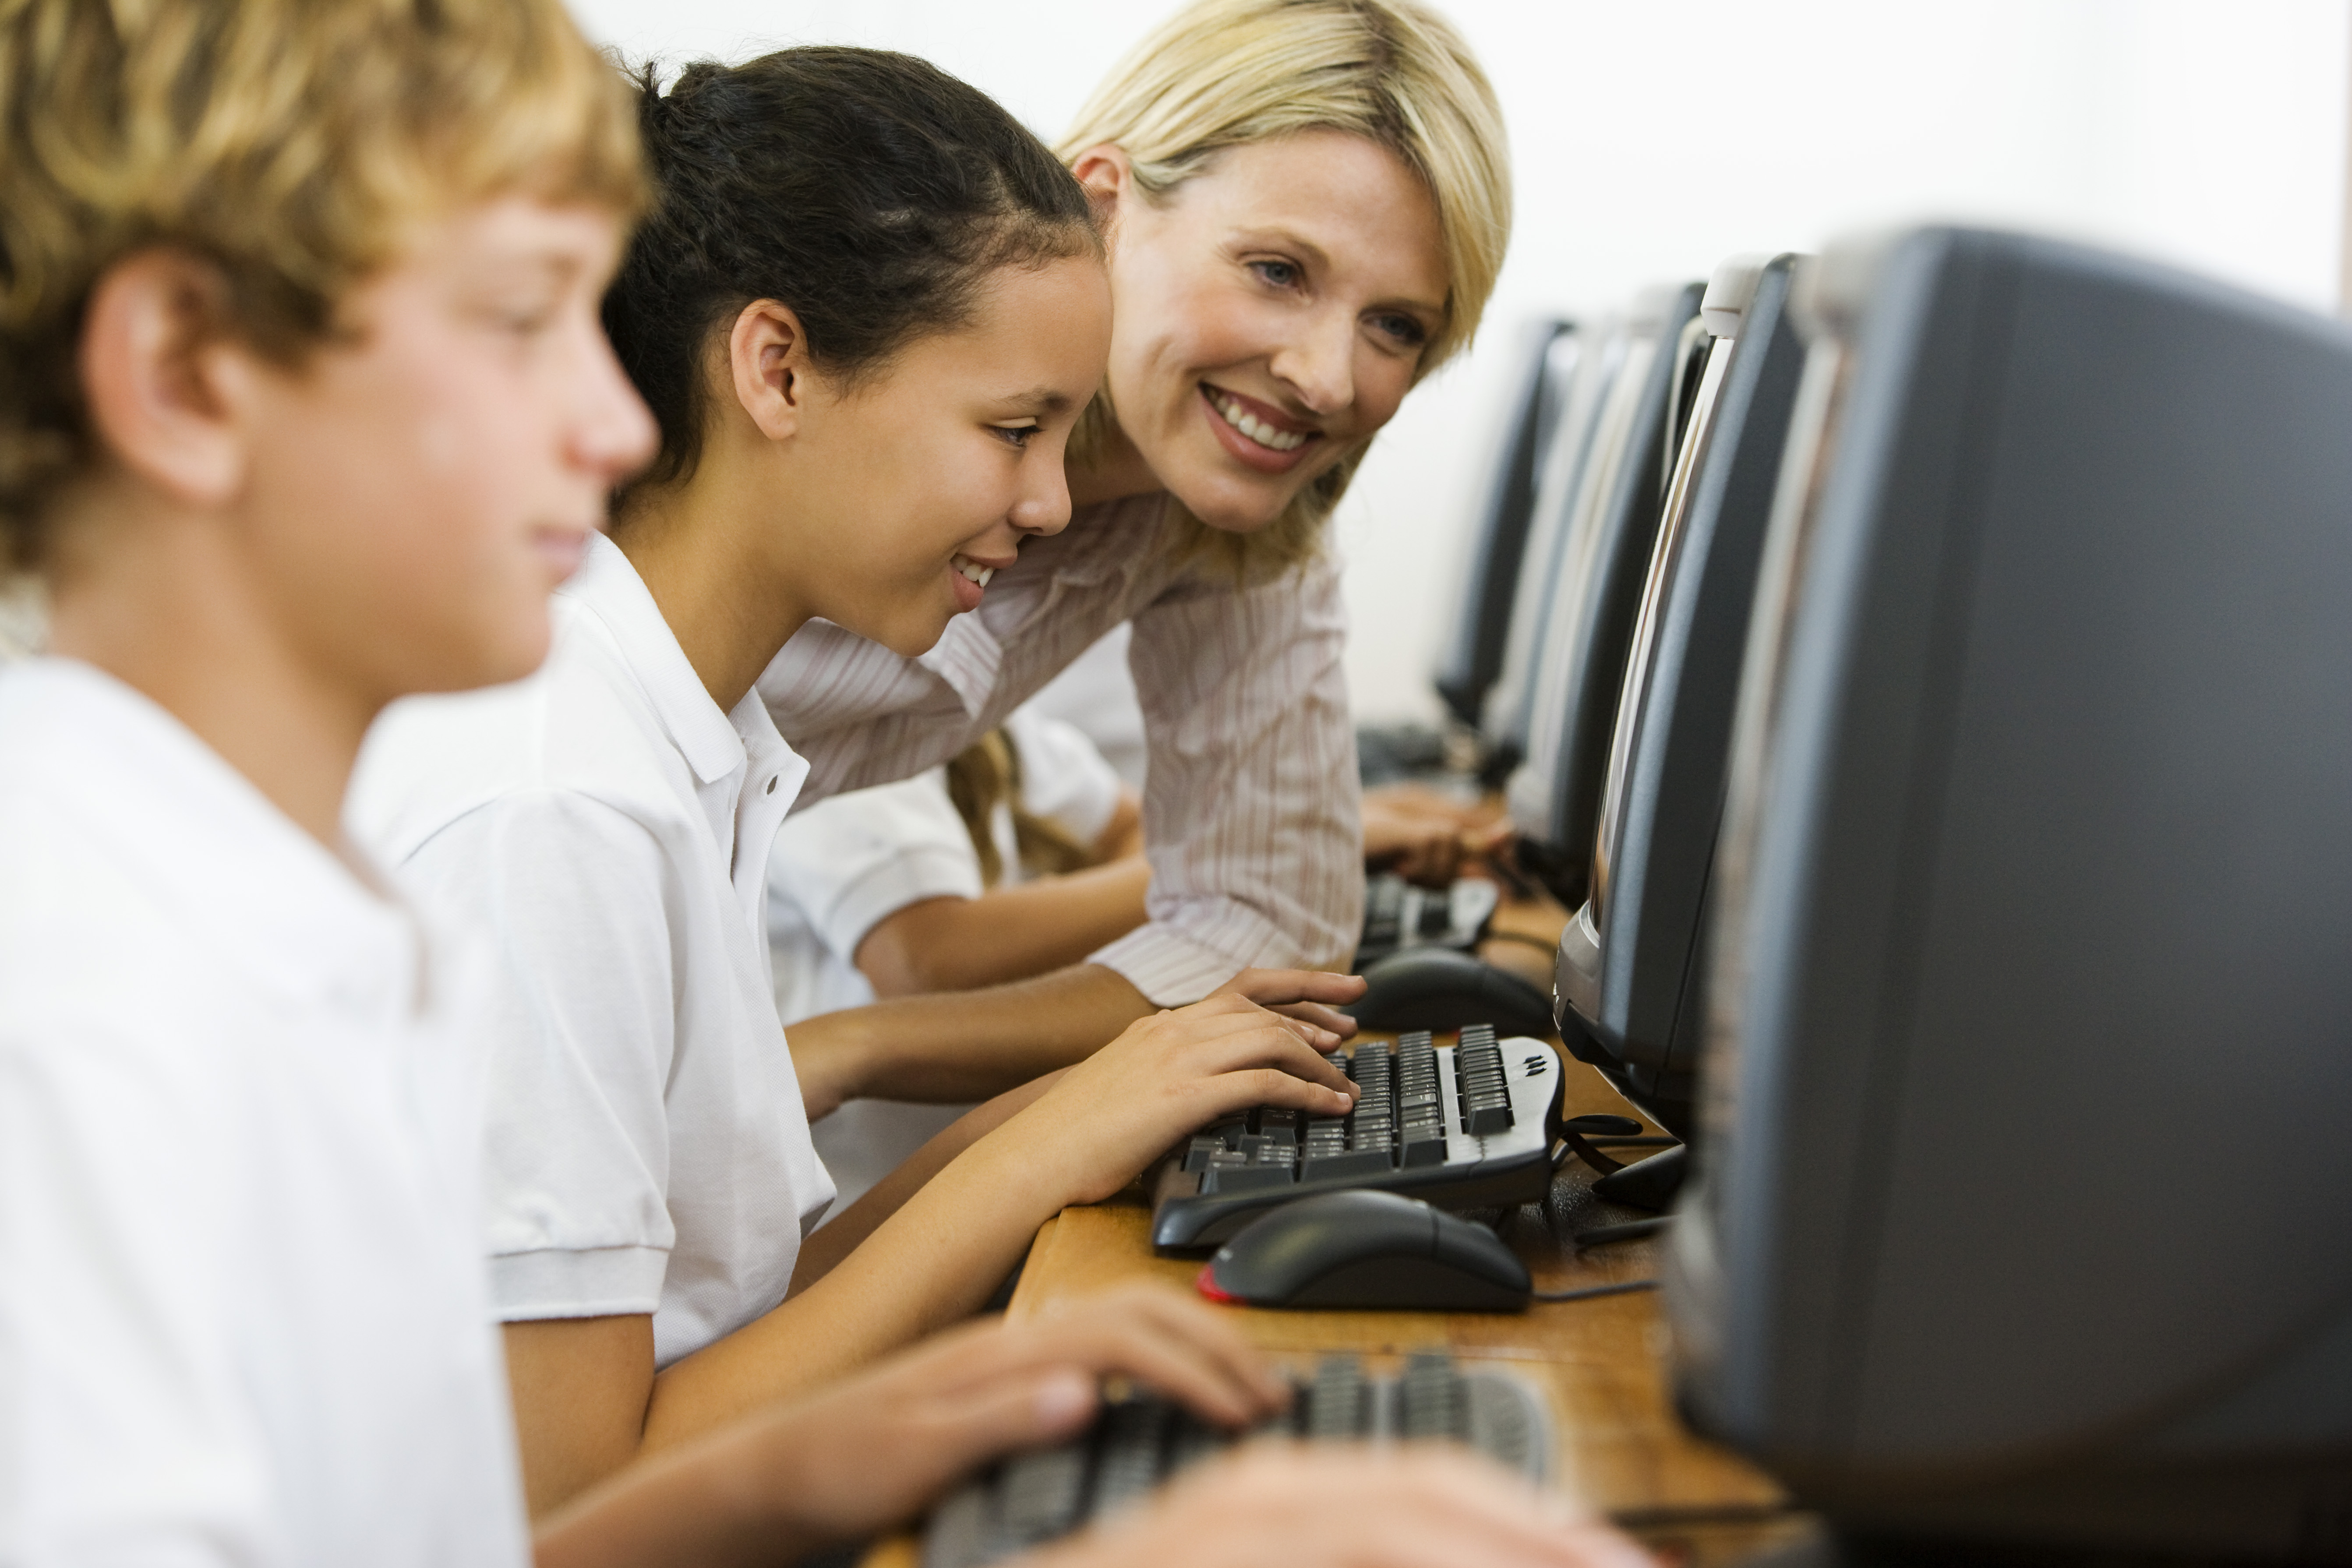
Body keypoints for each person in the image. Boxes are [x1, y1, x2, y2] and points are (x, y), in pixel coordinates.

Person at [0, 9, 1655, 1568]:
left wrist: (924, 1396)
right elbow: (560, 1495)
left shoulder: (642, 765)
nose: (612, 409)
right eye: (525, 325)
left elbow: (614, 1403)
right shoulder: (533, 800)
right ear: (185, 375)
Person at [350, 46, 1373, 1515]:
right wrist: (1048, 1153)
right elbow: (572, 1510)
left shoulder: (680, 740)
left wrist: (1062, 1119)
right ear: (777, 369)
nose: (1050, 499)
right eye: (1013, 430)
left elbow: (741, 1322)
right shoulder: (554, 800)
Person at [767, 0, 1516, 1114]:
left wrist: (856, 1046)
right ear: (1105, 204)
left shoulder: (1235, 525)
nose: (1325, 376)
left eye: (1396, 326)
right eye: (1276, 270)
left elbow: (1265, 929)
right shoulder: (845, 382)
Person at [770, 707, 1148, 1214]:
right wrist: (1203, 882)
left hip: (969, 1187)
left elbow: (1131, 824)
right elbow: (925, 961)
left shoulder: (984, 718)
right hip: (858, 1208)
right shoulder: (825, 727)